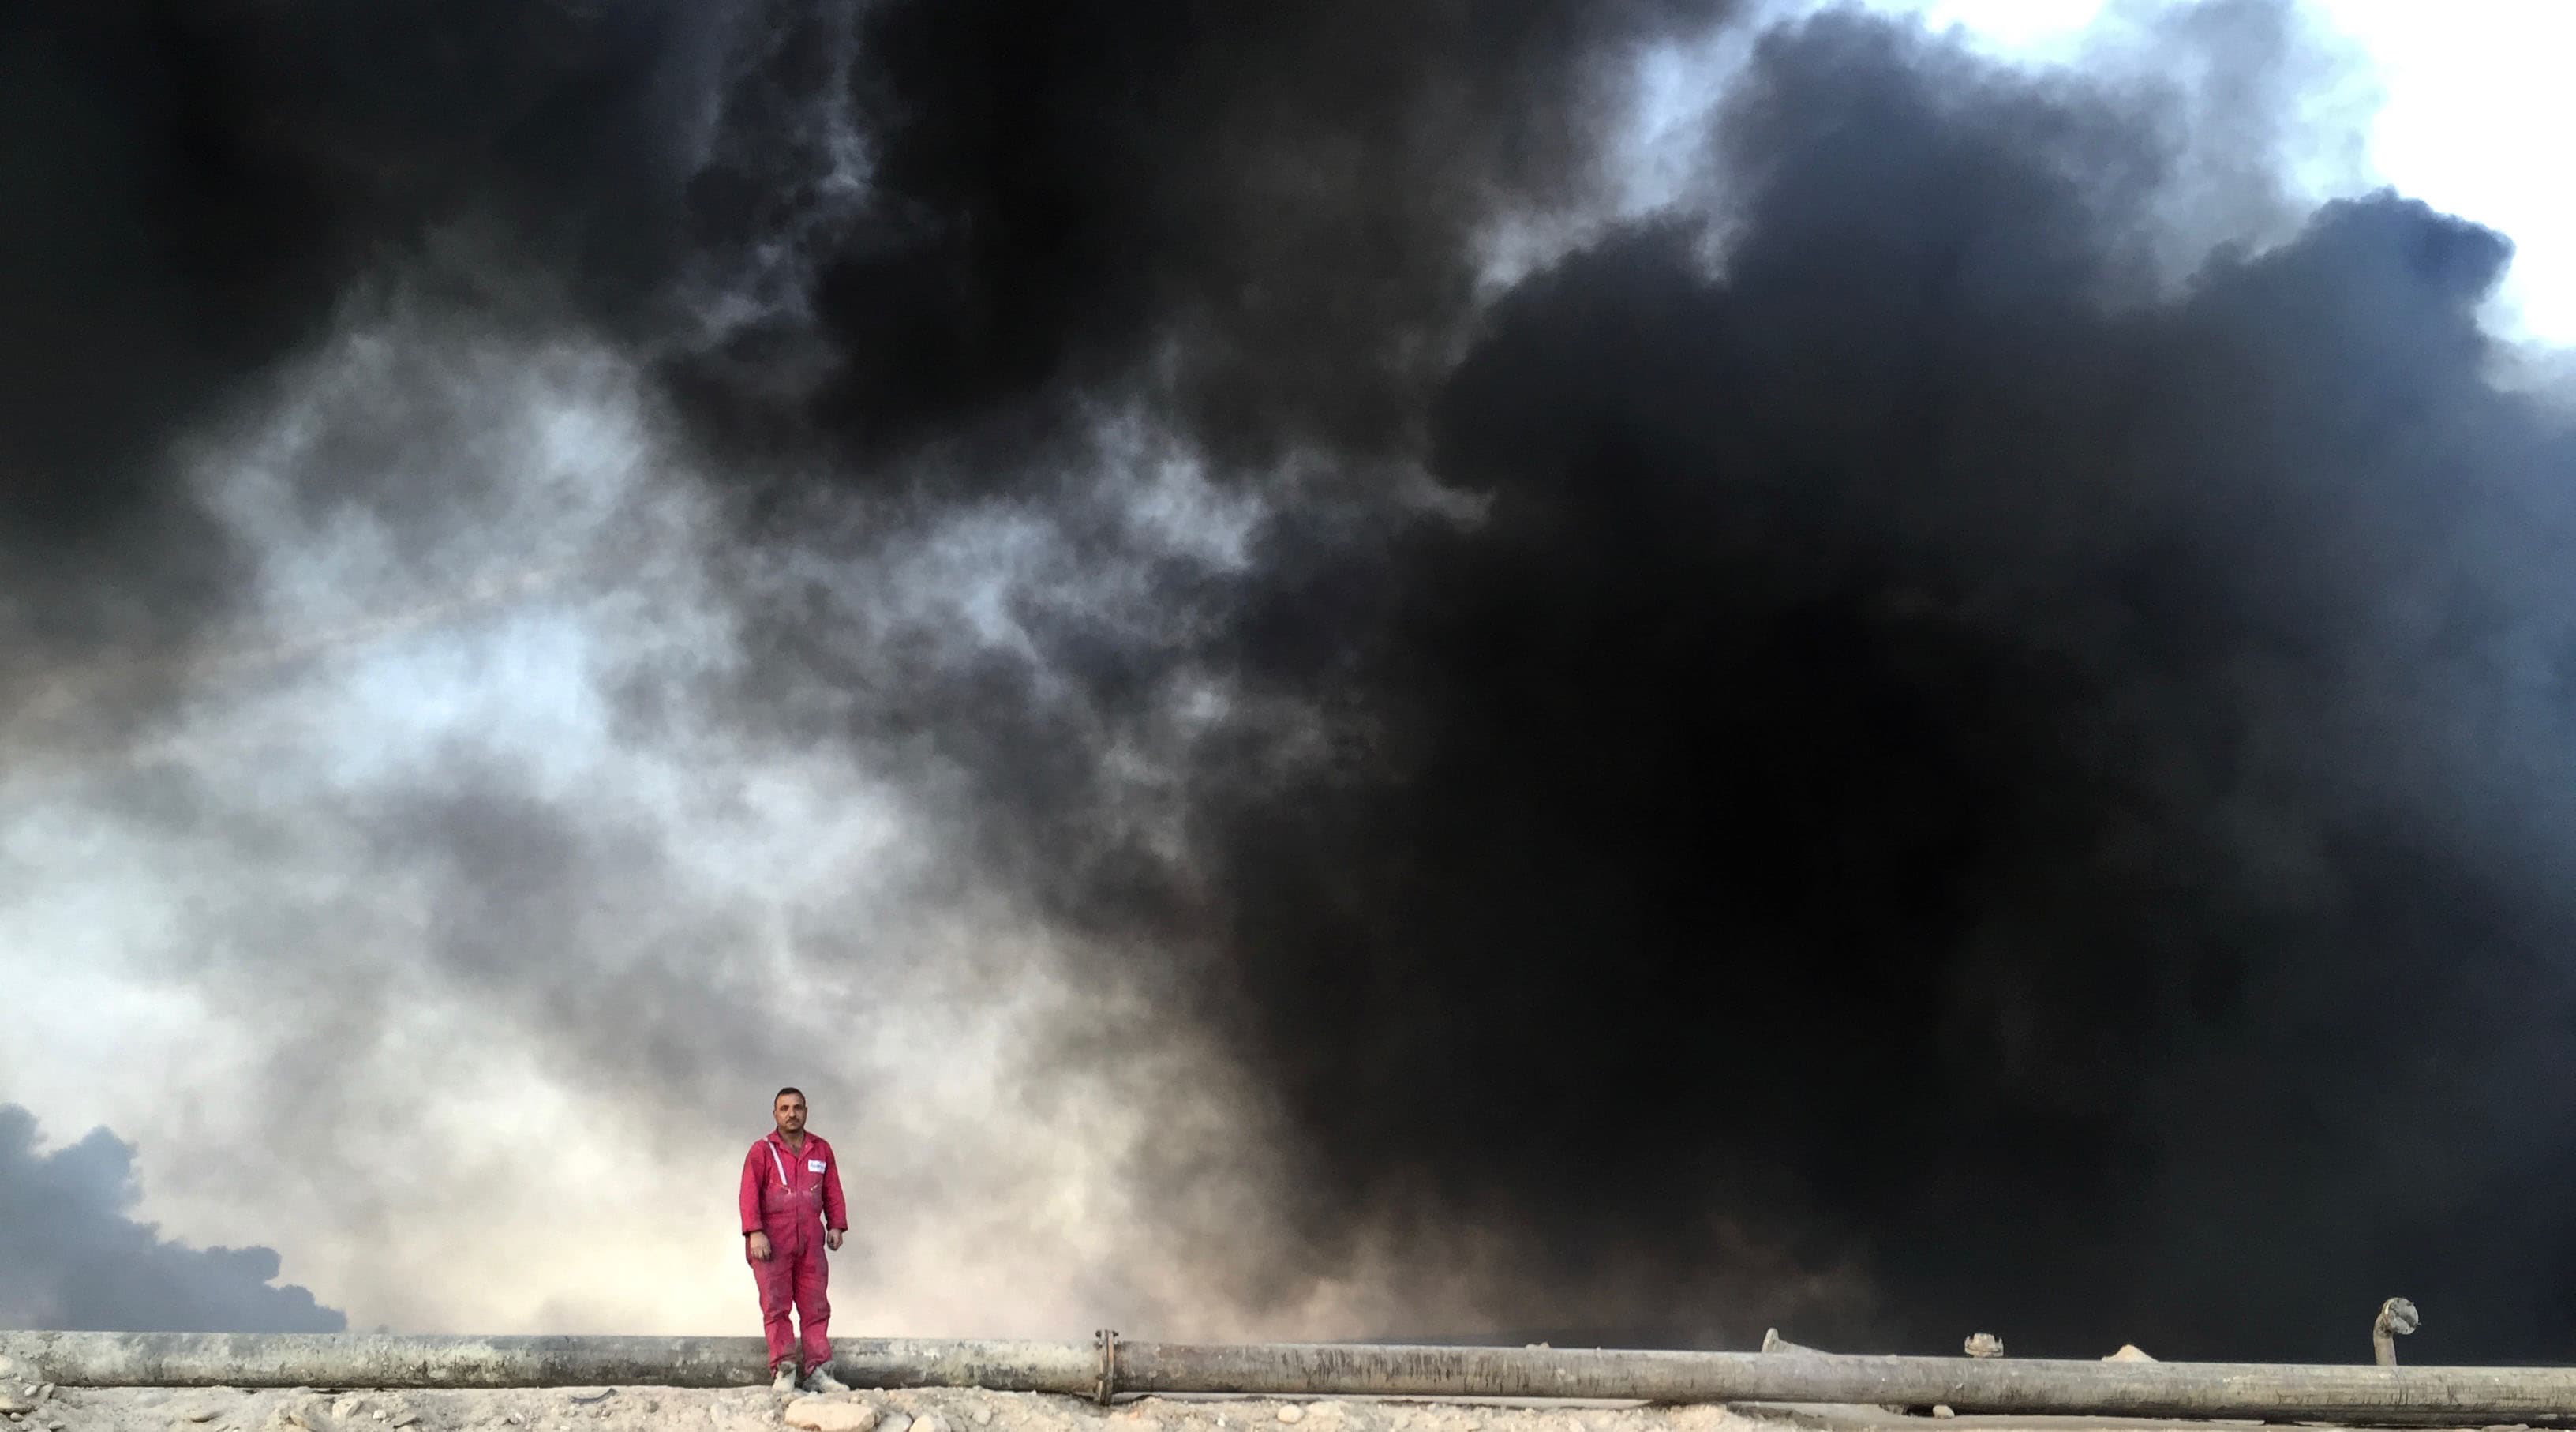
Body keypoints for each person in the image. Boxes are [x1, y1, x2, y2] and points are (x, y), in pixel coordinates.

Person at [739, 1086, 849, 1393]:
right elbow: (748, 1194)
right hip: (772, 1240)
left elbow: (832, 1190)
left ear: (806, 1112)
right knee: (776, 1306)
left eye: (797, 1108)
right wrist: (755, 1232)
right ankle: (784, 1370)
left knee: (816, 1306)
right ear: (775, 1114)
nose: (792, 1114)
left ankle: (818, 1371)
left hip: (811, 1239)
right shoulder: (762, 1151)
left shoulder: (821, 1149)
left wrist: (836, 1225)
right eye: (785, 1108)